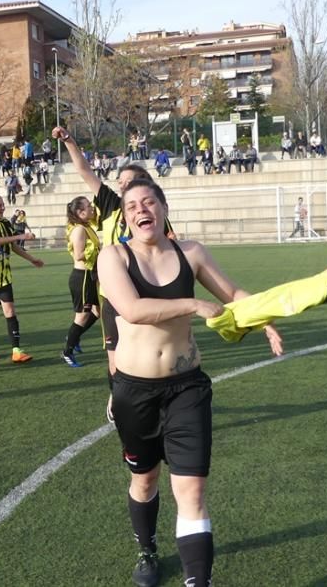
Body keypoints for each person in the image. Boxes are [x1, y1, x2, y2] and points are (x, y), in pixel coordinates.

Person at [97, 179, 282, 587]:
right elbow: (131, 309)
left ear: (163, 208)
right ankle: (147, 549)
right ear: (126, 218)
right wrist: (194, 303)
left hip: (187, 388)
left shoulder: (191, 252)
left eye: (148, 202)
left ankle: (199, 580)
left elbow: (231, 292)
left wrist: (262, 315)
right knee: (144, 480)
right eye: (131, 206)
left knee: (192, 491)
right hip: (134, 391)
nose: (140, 210)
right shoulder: (113, 256)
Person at [52, 125, 172, 419]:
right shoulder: (108, 205)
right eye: (120, 181)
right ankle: (117, 402)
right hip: (112, 298)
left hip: (146, 296)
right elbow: (84, 170)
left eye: (127, 181)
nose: (121, 185)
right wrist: (69, 140)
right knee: (115, 358)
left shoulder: (152, 217)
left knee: (149, 356)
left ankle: (154, 402)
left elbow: (171, 251)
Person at [0, 193, 44, 363]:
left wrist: (32, 259)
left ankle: (17, 350)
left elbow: (13, 247)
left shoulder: (5, 223)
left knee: (10, 311)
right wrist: (21, 236)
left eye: (3, 205)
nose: (3, 208)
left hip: (3, 278)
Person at [60, 196, 100, 368]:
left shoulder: (86, 227)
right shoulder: (79, 230)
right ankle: (67, 351)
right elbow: (79, 255)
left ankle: (74, 338)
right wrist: (99, 250)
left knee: (98, 311)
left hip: (90, 276)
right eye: (89, 206)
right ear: (80, 212)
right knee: (82, 316)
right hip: (82, 277)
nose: (92, 208)